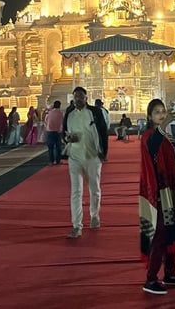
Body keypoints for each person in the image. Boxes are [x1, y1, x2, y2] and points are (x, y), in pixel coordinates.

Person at [139, 99, 175, 295]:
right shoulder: (148, 135)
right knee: (160, 234)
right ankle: (151, 278)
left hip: (171, 189)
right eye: (157, 112)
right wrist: (166, 122)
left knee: (172, 231)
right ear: (149, 116)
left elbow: (169, 156)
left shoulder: (166, 136)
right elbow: (153, 146)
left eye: (163, 111)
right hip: (158, 191)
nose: (161, 115)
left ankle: (170, 273)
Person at [62, 86, 108, 238]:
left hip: (92, 156)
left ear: (86, 98)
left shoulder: (94, 112)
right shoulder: (69, 114)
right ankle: (77, 225)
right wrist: (67, 138)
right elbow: (64, 132)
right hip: (74, 156)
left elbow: (103, 132)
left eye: (81, 97)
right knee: (76, 191)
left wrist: (104, 153)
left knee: (94, 189)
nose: (78, 99)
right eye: (76, 97)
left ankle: (94, 215)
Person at [45, 101, 64, 165]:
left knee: (50, 147)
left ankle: (51, 161)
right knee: (58, 147)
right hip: (58, 131)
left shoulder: (49, 112)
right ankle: (58, 160)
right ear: (60, 106)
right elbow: (62, 122)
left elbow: (46, 120)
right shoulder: (61, 113)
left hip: (50, 131)